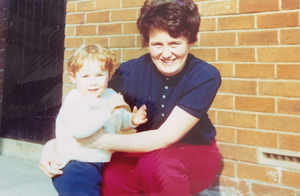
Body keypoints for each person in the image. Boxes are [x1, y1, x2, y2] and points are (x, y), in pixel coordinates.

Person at [39, 0, 222, 195]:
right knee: (110, 176)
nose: (166, 53)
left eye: (175, 43)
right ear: (147, 43)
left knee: (156, 166)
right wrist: (53, 146)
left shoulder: (204, 75)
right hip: (146, 151)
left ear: (191, 41)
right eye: (157, 44)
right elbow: (82, 107)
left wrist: (100, 141)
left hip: (195, 153)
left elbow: (164, 137)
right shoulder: (129, 72)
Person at [50, 44, 147, 195]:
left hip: (97, 163)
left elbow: (117, 120)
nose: (93, 82)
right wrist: (108, 108)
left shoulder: (110, 95)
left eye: (99, 75)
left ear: (109, 75)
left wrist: (132, 120)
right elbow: (80, 130)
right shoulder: (76, 100)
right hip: (76, 166)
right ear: (73, 77)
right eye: (85, 76)